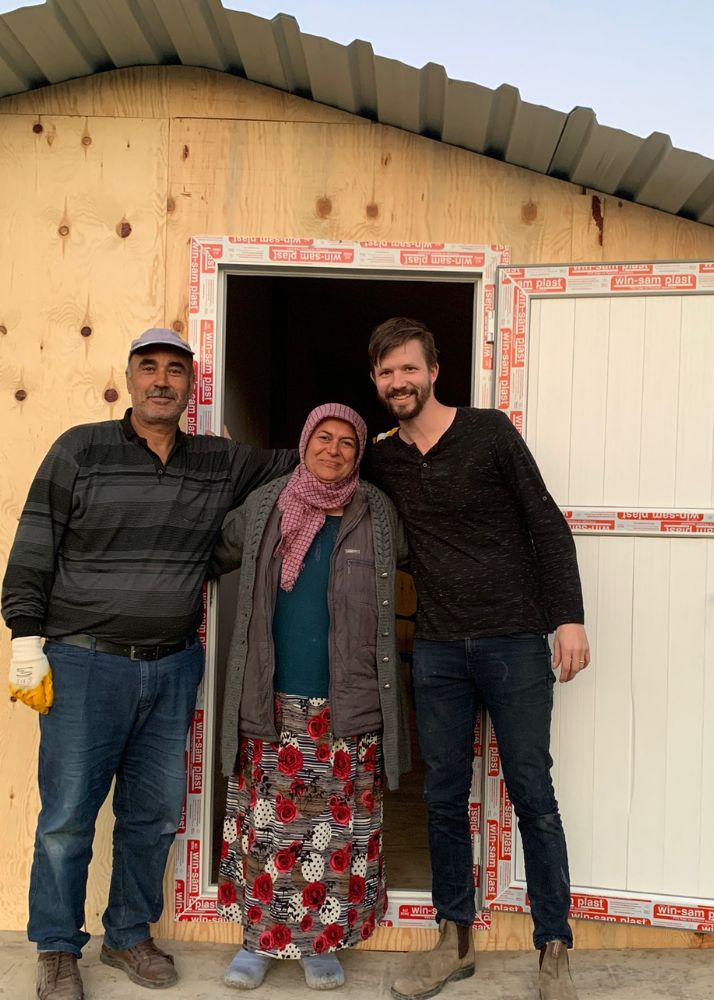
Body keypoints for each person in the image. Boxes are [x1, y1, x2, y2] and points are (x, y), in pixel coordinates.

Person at [2, 328, 296, 1000]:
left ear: (191, 387)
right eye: (149, 368)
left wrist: (385, 446)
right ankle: (55, 947)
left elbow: (305, 461)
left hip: (171, 667)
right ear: (129, 378)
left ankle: (130, 934)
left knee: (156, 814)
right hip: (81, 665)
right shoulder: (80, 449)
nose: (161, 380)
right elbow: (35, 542)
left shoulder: (218, 462)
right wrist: (25, 639)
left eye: (175, 371)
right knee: (69, 815)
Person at [365, 318, 591, 1000]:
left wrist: (568, 616)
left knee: (532, 792)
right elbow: (324, 459)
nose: (399, 382)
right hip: (436, 647)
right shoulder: (384, 458)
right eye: (385, 373)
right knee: (440, 796)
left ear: (434, 370)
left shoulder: (490, 431)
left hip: (515, 640)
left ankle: (553, 947)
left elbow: (543, 521)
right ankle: (455, 938)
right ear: (375, 381)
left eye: (409, 368)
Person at [211, 402, 409, 992]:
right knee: (267, 828)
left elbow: (414, 561)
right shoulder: (266, 505)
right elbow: (216, 551)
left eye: (347, 442)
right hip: (270, 697)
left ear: (360, 452)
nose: (333, 450)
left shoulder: (376, 511)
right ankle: (256, 942)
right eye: (323, 437)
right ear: (303, 441)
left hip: (346, 704)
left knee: (335, 830)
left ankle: (322, 944)